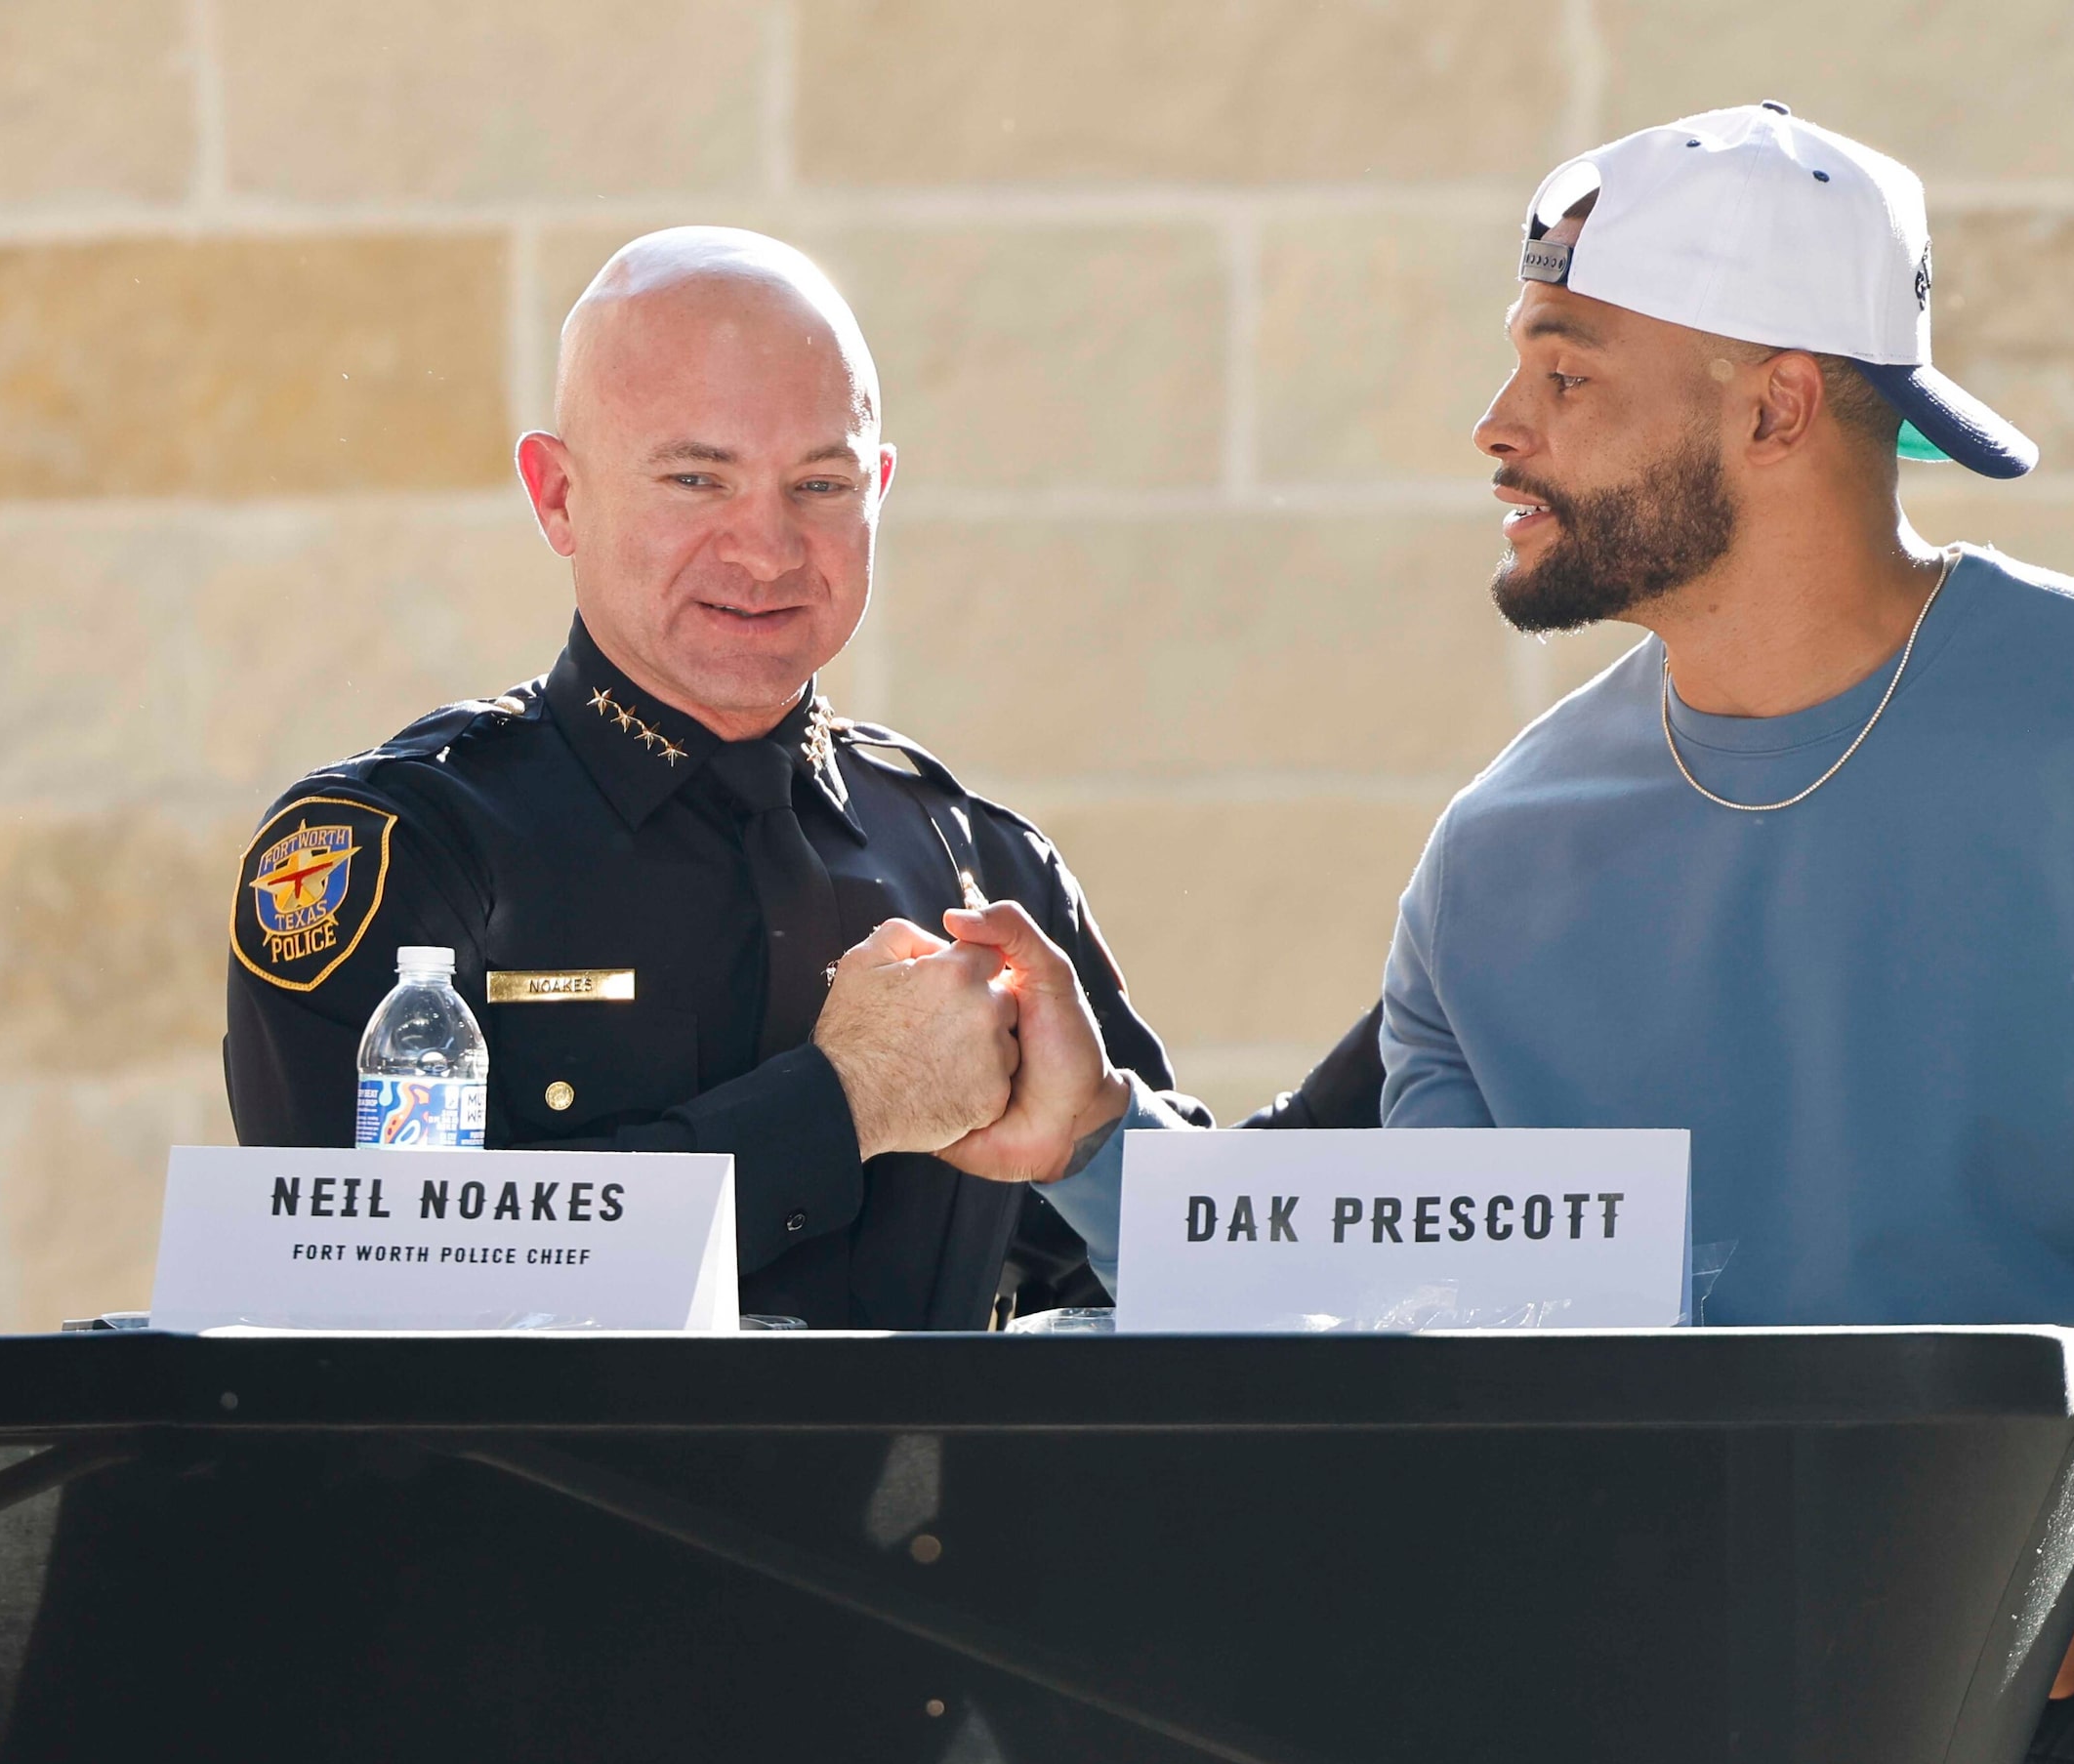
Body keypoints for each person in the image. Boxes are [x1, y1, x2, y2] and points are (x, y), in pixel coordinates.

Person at [1001, 106, 2074, 1764]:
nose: (1499, 429)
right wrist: (1089, 1150)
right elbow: (1403, 1290)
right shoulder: (1500, 857)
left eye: (1570, 373)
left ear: (1772, 404)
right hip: (1658, 1695)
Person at [222, 226, 1374, 1330]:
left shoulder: (976, 862)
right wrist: (842, 1105)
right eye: (695, 480)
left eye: (818, 487)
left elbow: (1196, 1316)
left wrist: (1098, 1140)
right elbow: (369, 1296)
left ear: (878, 486)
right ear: (557, 495)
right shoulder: (404, 848)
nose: (767, 550)